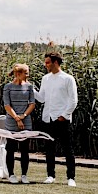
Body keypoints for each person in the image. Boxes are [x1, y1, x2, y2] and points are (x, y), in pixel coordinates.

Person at [34, 51, 79, 186]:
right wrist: (30, 89)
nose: (45, 65)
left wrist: (64, 116)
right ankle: (50, 175)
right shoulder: (45, 79)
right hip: (48, 118)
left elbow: (73, 100)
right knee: (49, 149)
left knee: (68, 149)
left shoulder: (68, 79)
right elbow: (41, 98)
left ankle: (71, 178)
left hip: (62, 120)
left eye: (47, 62)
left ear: (55, 62)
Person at [3, 64, 36, 184]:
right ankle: (11, 174)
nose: (28, 75)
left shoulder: (29, 87)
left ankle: (24, 175)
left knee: (24, 149)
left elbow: (32, 103)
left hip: (25, 121)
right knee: (10, 148)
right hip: (11, 121)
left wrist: (24, 116)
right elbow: (7, 105)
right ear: (18, 74)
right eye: (25, 73)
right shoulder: (8, 87)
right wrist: (17, 118)